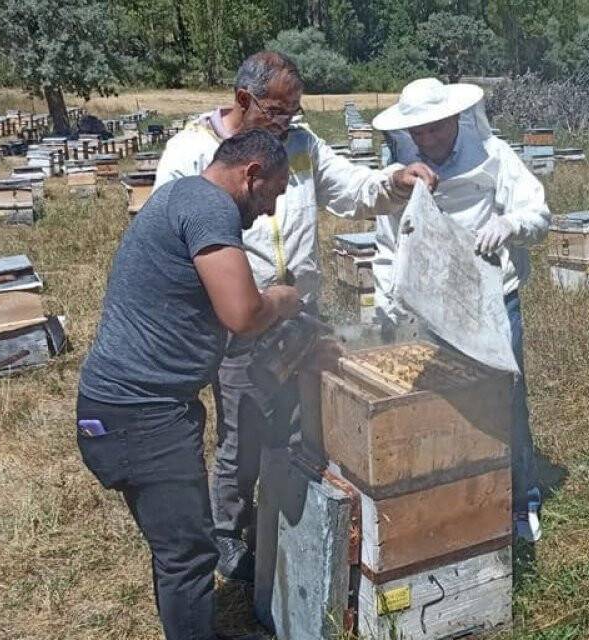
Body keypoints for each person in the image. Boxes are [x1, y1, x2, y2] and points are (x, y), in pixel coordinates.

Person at [152, 51, 437, 581]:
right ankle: (228, 535)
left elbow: (352, 190)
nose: (287, 122)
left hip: (299, 314)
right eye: (278, 112)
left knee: (307, 422)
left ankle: (291, 521)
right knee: (243, 435)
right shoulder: (191, 151)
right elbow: (167, 232)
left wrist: (395, 181)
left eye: (294, 111)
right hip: (239, 319)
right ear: (244, 100)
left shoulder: (303, 145)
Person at [76, 129, 299, 640]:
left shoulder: (181, 195)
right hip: (141, 417)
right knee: (189, 555)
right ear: (252, 175)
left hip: (128, 410)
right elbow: (242, 314)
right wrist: (280, 302)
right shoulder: (209, 207)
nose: (268, 211)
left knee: (177, 547)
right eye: (274, 194)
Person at [370, 77, 551, 541]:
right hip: (433, 310)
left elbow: (539, 215)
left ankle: (520, 502)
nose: (425, 140)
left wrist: (510, 223)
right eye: (417, 132)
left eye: (433, 130)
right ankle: (457, 503)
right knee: (442, 409)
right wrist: (388, 302)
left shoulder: (493, 155)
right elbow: (388, 244)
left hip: (492, 301)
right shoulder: (400, 169)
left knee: (505, 400)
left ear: (454, 119)